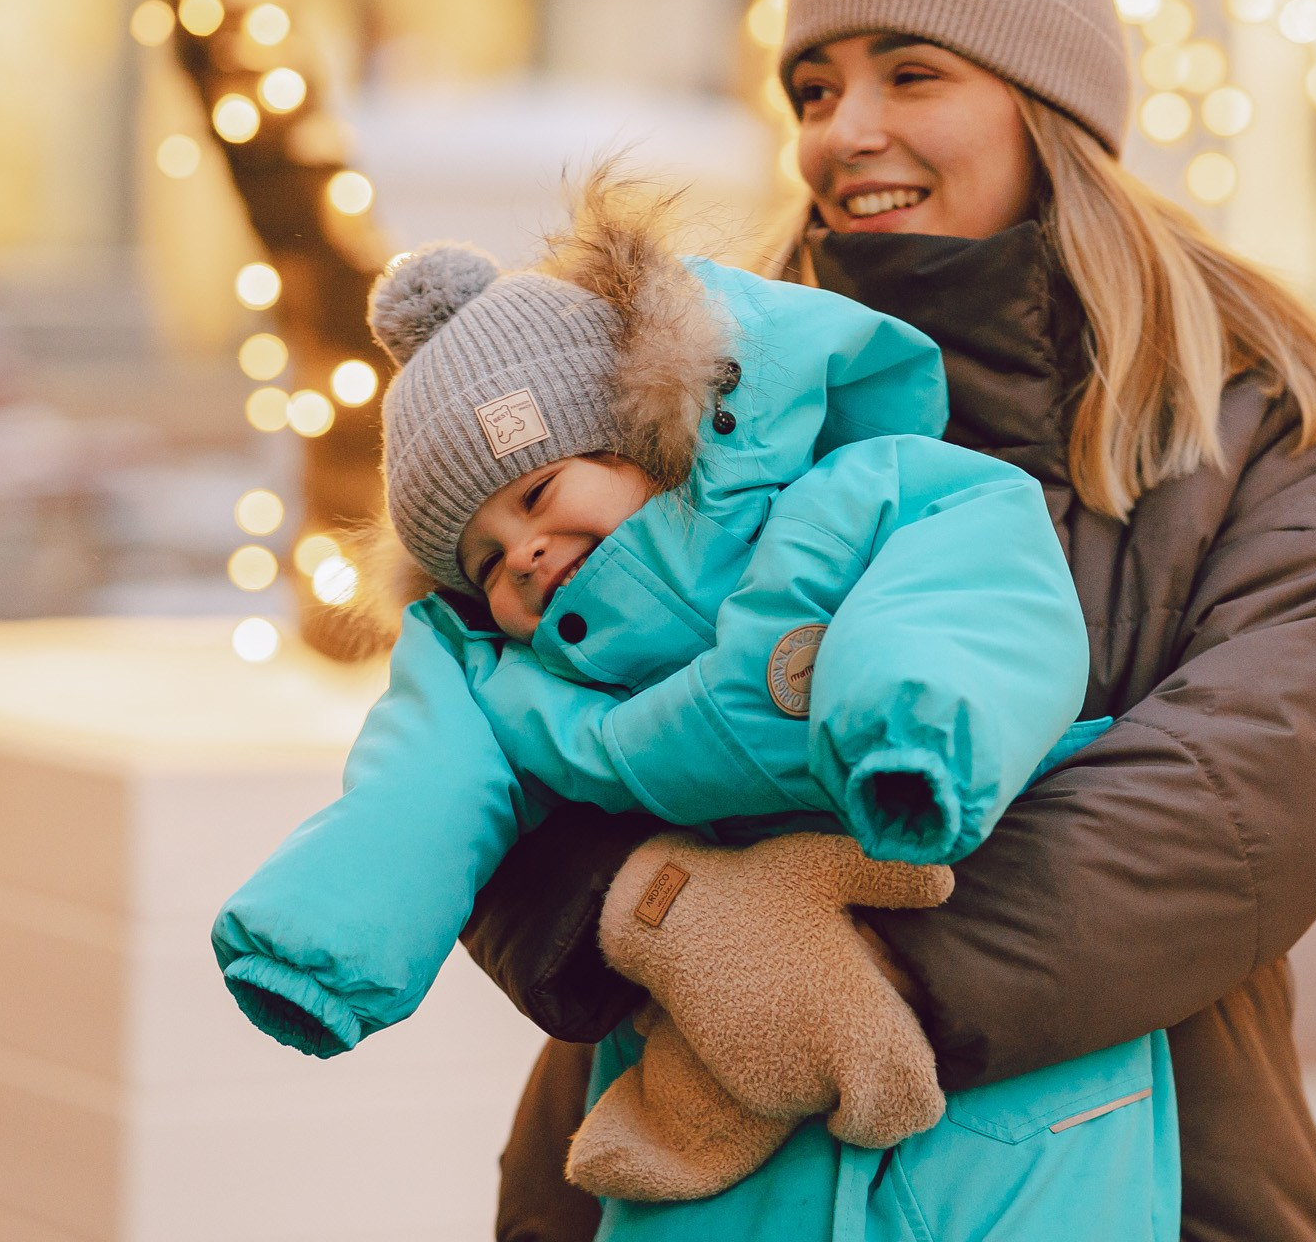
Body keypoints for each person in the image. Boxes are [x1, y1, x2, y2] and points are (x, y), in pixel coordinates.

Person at [465, 0, 1316, 1242]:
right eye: (815, 86)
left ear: (1046, 105)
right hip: (692, 1171)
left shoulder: (1256, 416)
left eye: (913, 74)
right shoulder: (690, 394)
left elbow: (1263, 790)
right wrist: (659, 919)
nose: (847, 129)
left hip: (1140, 1166)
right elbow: (494, 735)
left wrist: (863, 974)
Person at [211, 182, 1180, 1238]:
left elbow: (964, 580)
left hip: (1002, 1101)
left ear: (646, 436)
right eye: (485, 558)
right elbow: (412, 793)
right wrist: (322, 940)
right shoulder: (509, 682)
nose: (525, 554)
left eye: (539, 494)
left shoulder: (840, 500)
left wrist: (915, 723)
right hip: (714, 1097)